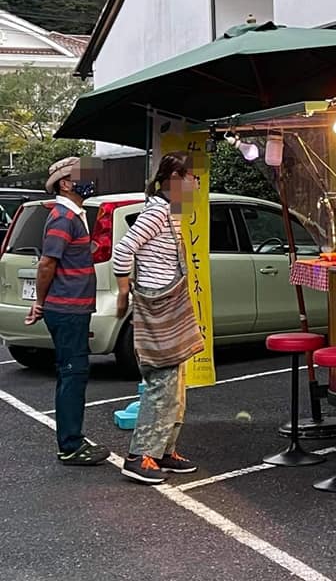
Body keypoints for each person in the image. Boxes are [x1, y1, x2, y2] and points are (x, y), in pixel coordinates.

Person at [113, 152, 203, 485]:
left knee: (176, 383)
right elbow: (123, 250)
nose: (195, 183)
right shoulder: (156, 212)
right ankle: (139, 456)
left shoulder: (171, 210)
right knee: (162, 382)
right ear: (175, 180)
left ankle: (164, 450)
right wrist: (124, 293)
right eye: (192, 178)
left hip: (168, 300)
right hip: (157, 304)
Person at [27, 157, 109, 465]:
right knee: (73, 373)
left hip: (71, 307)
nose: (89, 180)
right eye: (81, 176)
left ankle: (72, 438)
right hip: (68, 309)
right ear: (65, 183)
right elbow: (47, 263)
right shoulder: (63, 217)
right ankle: (71, 445)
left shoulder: (75, 215)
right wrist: (40, 301)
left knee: (72, 373)